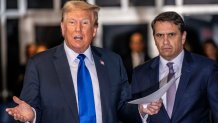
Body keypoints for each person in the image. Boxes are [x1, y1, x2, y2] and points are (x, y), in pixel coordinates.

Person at [5, 1, 162, 123]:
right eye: (72, 22)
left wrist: (141, 109)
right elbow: (33, 108)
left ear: (94, 30)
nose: (78, 29)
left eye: (85, 23)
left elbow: (122, 107)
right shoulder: (39, 64)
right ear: (62, 28)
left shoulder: (113, 61)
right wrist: (31, 114)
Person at [131, 11, 218, 123]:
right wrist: (142, 111)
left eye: (171, 34)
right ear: (154, 39)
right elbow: (130, 114)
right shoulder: (140, 73)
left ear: (183, 37)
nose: (165, 41)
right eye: (160, 35)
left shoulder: (206, 69)